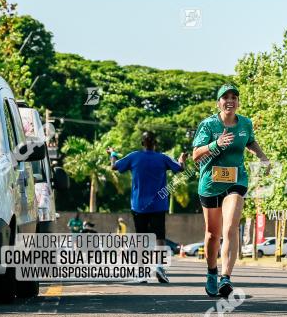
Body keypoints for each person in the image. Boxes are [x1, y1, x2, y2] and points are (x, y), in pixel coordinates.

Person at [192, 84, 270, 297]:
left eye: (234, 97)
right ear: (218, 102)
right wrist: (215, 144)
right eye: (225, 97)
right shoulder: (208, 125)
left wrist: (261, 156)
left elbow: (250, 141)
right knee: (212, 234)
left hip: (236, 181)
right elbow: (196, 155)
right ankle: (211, 271)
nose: (230, 100)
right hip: (210, 184)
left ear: (238, 101)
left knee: (230, 228)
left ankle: (226, 278)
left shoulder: (245, 123)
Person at [111, 132, 185, 283]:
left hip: (139, 206)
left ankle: (141, 271)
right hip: (158, 205)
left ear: (142, 143)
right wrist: (182, 160)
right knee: (160, 238)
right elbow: (180, 169)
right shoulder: (163, 158)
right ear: (155, 143)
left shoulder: (134, 156)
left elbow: (114, 166)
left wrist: (112, 154)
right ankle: (159, 267)